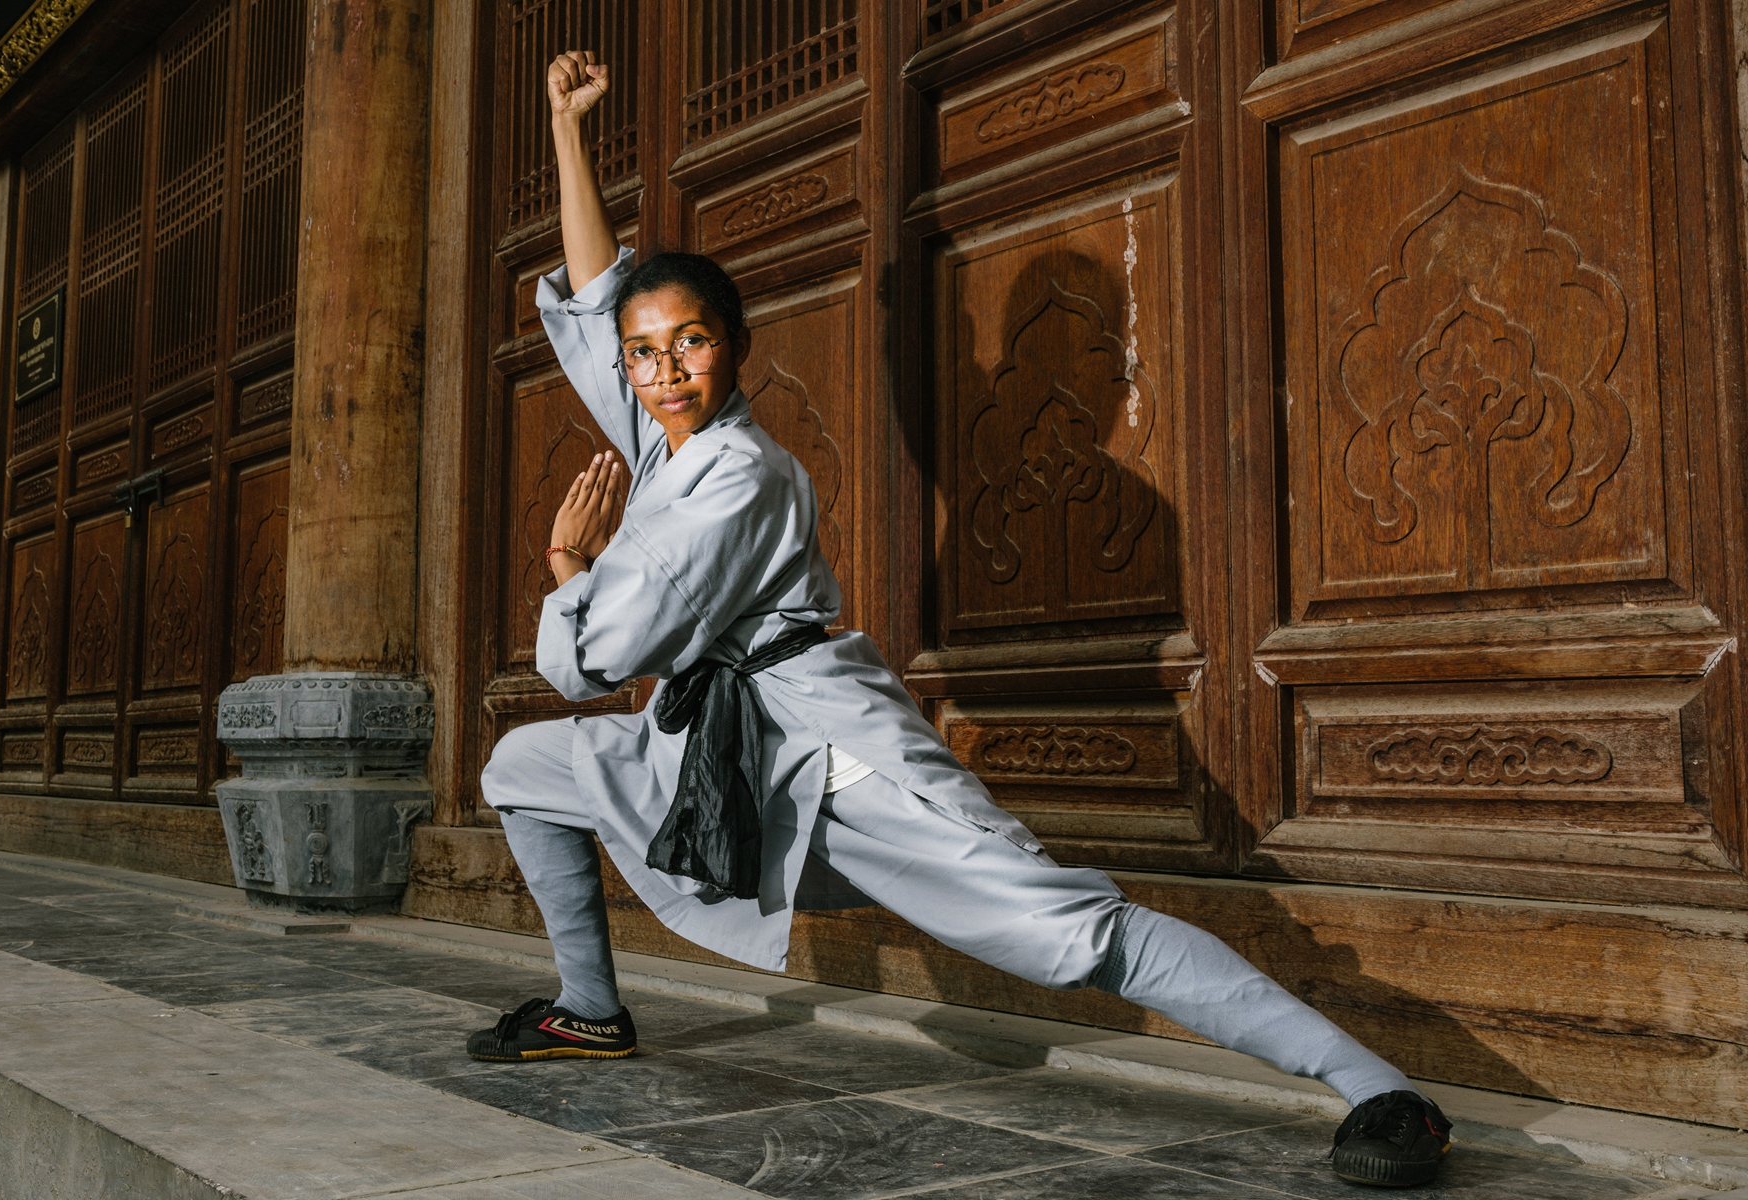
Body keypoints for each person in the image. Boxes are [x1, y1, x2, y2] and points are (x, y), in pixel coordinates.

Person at [465, 49, 1454, 1189]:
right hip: (719, 752)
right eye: (645, 354)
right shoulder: (664, 439)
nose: (660, 369)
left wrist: (563, 560)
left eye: (687, 342)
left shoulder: (736, 474)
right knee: (525, 766)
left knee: (1072, 933)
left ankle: (1378, 1089)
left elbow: (595, 659)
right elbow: (598, 300)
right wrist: (567, 131)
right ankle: (589, 1012)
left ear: (733, 345)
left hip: (834, 760)